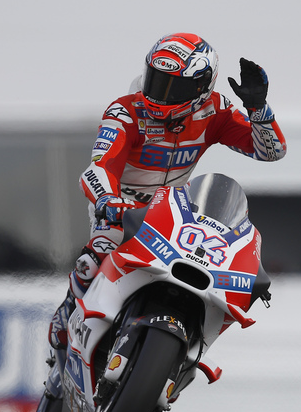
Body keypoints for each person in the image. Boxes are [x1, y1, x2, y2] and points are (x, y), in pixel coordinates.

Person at [48, 32, 287, 349]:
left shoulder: (215, 111)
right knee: (100, 250)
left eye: (174, 87)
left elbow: (270, 151)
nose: (160, 95)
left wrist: (258, 110)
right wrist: (107, 199)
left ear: (201, 87)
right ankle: (68, 311)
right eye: (157, 80)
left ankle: (184, 342)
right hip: (120, 207)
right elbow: (98, 168)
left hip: (171, 213)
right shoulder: (125, 111)